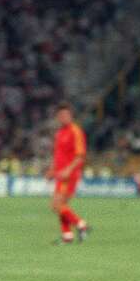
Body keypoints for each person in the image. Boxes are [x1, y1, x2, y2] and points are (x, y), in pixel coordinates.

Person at [46, 103, 89, 244]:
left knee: (56, 204)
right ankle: (67, 236)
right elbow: (57, 154)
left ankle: (81, 225)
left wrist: (68, 170)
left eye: (66, 115)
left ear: (71, 116)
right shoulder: (60, 133)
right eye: (61, 116)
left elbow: (80, 156)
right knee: (61, 205)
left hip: (69, 175)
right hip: (60, 174)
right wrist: (52, 170)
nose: (63, 118)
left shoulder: (75, 131)